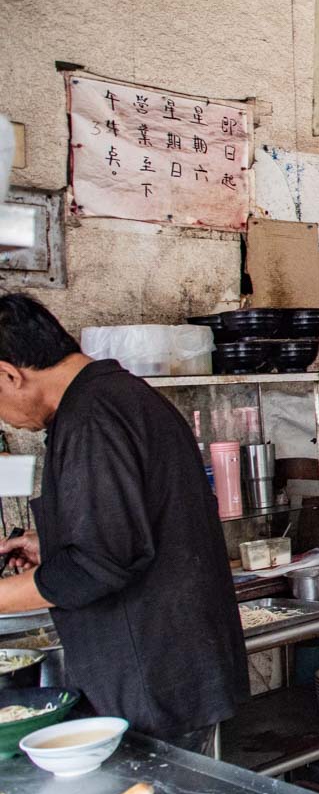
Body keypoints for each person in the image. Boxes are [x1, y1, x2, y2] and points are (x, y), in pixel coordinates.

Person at [0, 295, 248, 752]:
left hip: (154, 682)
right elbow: (126, 525)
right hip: (169, 671)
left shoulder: (93, 416)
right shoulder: (118, 396)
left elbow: (99, 562)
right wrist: (51, 541)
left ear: (8, 374)